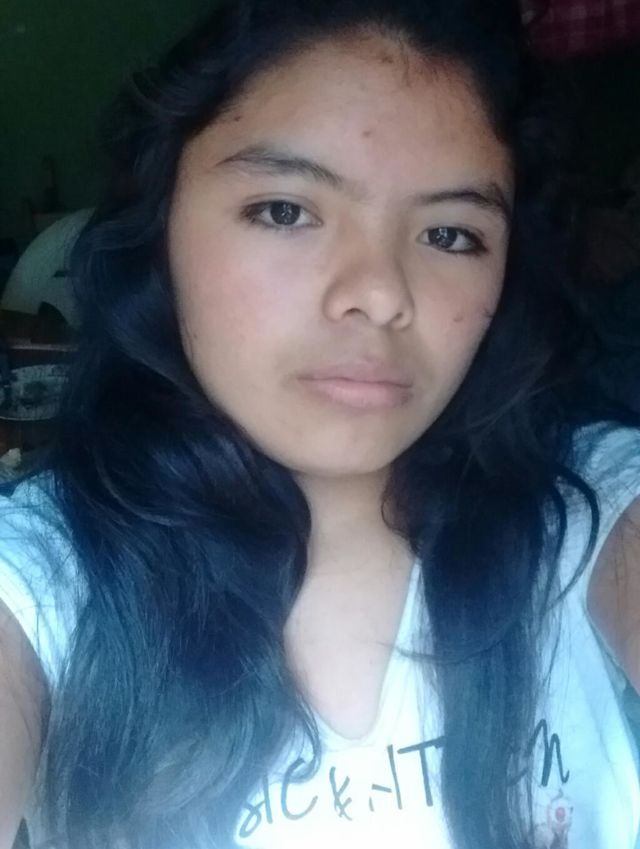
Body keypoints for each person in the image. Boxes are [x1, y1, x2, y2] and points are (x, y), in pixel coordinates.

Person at [0, 0, 639, 847]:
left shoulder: (584, 507)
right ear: (161, 232)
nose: (380, 293)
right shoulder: (49, 572)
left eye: (451, 233)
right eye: (285, 211)